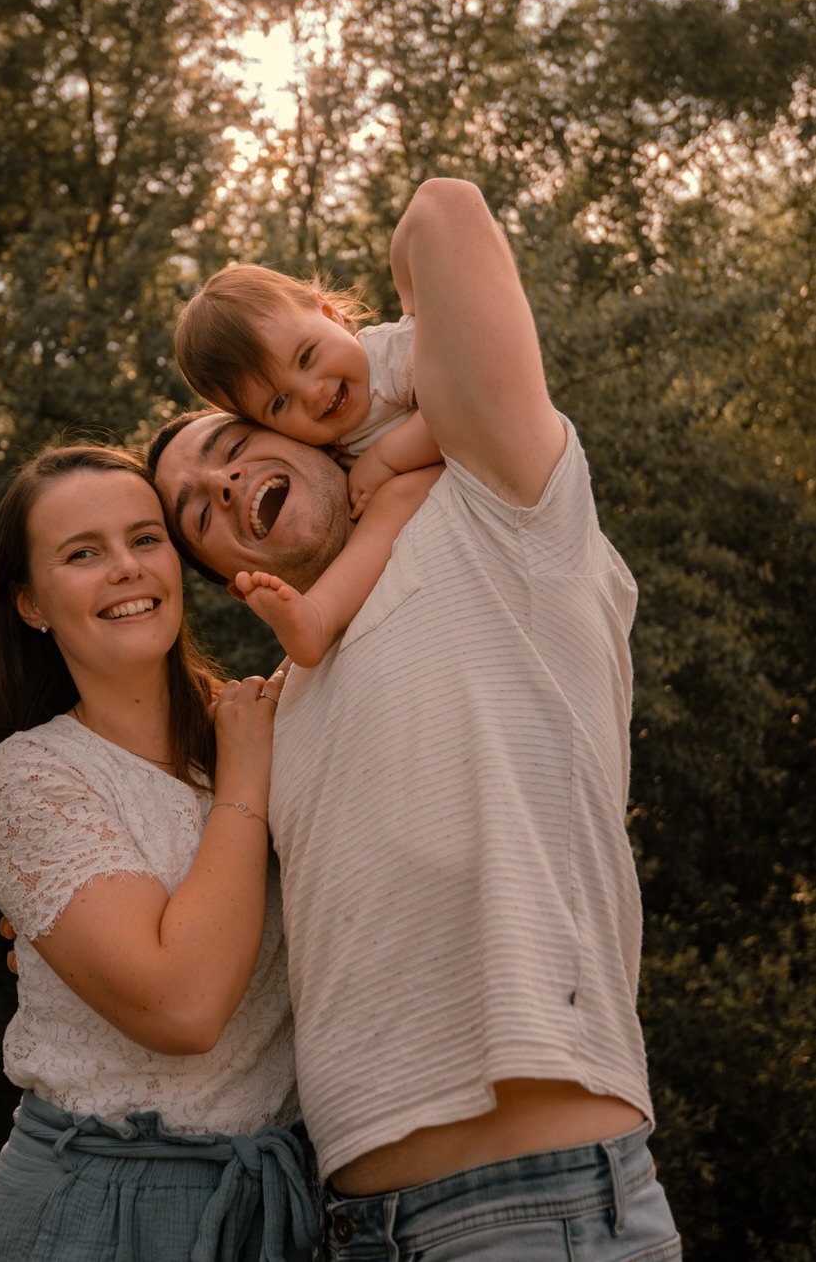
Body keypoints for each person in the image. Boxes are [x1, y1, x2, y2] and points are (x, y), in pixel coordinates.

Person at [148, 179, 682, 1260]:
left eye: (233, 438)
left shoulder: (492, 502)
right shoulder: (275, 711)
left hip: (535, 1202)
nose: (223, 480)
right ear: (217, 567)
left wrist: (363, 370)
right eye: (193, 508)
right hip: (343, 1221)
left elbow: (444, 214)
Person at [0, 443, 318, 1262]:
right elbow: (182, 1007)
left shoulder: (264, 724)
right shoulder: (30, 777)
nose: (126, 570)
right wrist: (243, 789)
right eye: (82, 554)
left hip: (283, 1204)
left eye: (145, 539)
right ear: (30, 602)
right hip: (100, 1207)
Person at [173, 263, 441, 666]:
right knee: (389, 509)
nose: (313, 392)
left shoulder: (395, 354)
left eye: (306, 356)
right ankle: (317, 618)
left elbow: (468, 404)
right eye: (279, 403)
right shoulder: (320, 440)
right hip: (428, 498)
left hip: (487, 466)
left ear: (329, 313)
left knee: (395, 496)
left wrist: (387, 458)